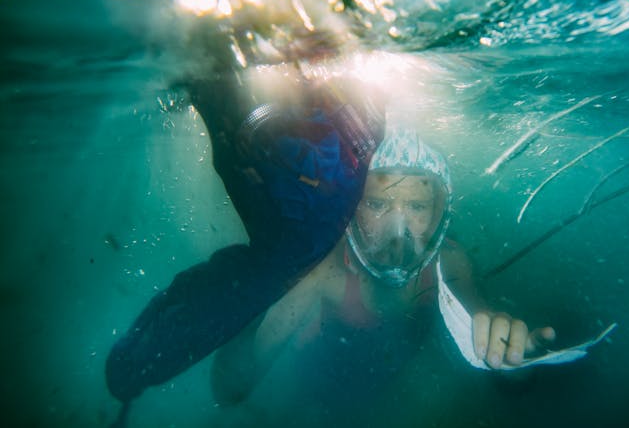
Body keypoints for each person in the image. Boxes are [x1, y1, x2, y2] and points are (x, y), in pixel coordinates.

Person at [104, 21, 387, 410]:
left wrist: (134, 369)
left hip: (267, 138)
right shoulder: (309, 239)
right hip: (277, 159)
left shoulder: (309, 237)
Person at [209, 128, 557, 416]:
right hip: (319, 392)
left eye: (418, 206)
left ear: (441, 212)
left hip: (391, 389)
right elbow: (230, 387)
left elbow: (487, 335)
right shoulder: (322, 273)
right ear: (350, 208)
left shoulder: (449, 263)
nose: (398, 230)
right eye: (377, 204)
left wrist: (512, 363)